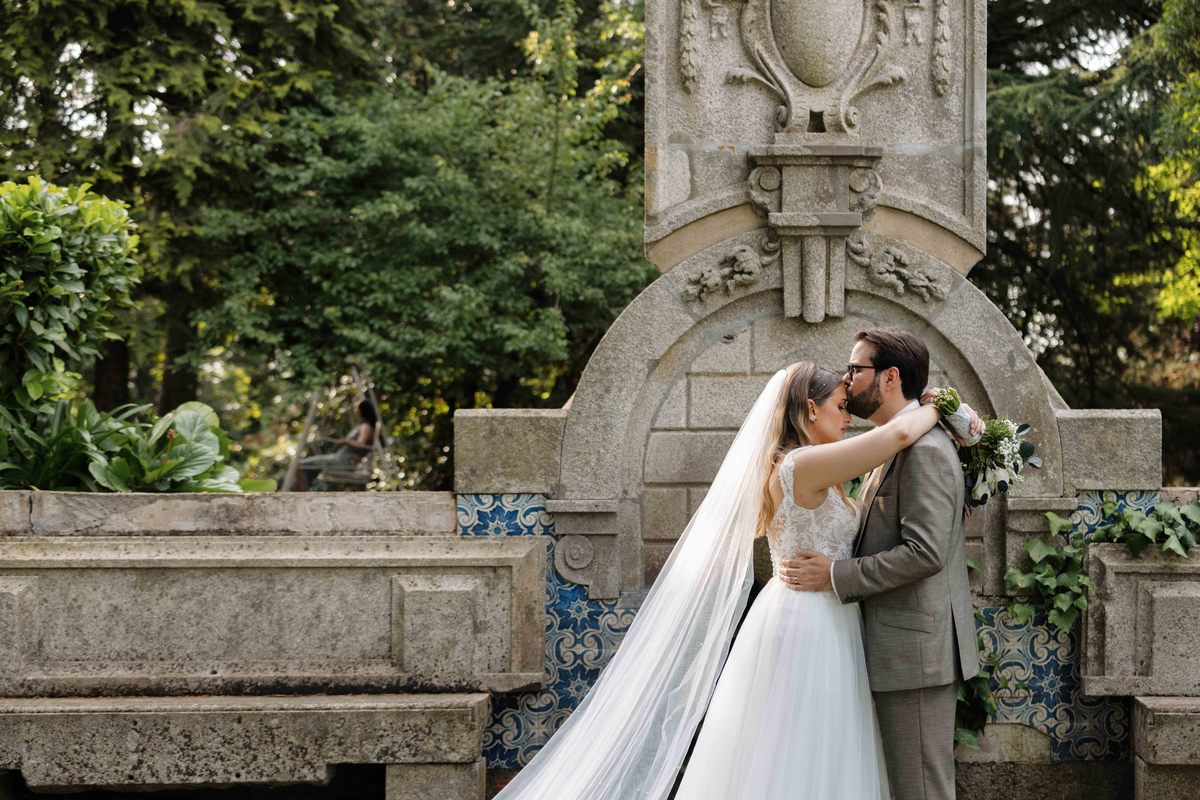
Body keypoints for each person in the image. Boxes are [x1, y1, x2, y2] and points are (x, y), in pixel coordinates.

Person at [493, 351, 981, 800]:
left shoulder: (816, 464)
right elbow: (896, 436)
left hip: (830, 616)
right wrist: (940, 408)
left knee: (824, 748)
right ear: (811, 409)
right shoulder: (802, 465)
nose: (848, 415)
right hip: (808, 621)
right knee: (798, 748)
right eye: (839, 405)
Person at [781, 328, 982, 800]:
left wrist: (834, 575)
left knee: (921, 789)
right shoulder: (888, 446)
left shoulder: (925, 451)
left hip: (915, 655)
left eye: (856, 369)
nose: (847, 380)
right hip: (885, 648)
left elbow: (925, 552)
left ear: (890, 378)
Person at [291, 399, 377, 491]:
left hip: (343, 462)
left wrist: (347, 441)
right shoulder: (362, 426)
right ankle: (304, 490)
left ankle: (303, 493)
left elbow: (361, 444)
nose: (355, 410)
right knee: (307, 468)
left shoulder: (366, 427)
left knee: (298, 465)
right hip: (340, 458)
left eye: (357, 408)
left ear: (362, 411)